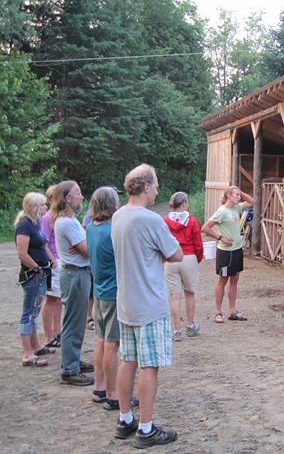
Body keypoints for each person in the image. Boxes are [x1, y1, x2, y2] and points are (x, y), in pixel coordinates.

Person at [111, 164, 183, 447]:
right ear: (145, 187)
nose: (157, 189)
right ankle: (146, 428)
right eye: (155, 185)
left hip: (126, 302)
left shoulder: (118, 216)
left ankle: (125, 418)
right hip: (150, 304)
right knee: (150, 365)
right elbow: (175, 254)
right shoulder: (151, 219)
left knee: (127, 360)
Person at [52, 181, 95, 386]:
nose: (81, 198)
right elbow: (88, 250)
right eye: (78, 194)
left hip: (76, 274)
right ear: (68, 199)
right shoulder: (68, 223)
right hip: (76, 275)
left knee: (76, 322)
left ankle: (73, 362)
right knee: (73, 323)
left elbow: (84, 247)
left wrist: (85, 245)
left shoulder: (68, 220)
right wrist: (87, 245)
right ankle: (69, 369)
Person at [86, 187, 126, 409]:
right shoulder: (110, 232)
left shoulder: (92, 228)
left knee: (101, 341)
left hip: (100, 291)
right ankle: (113, 395)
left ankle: (99, 388)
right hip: (112, 293)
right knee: (112, 344)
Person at [202, 186, 255, 323]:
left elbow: (252, 202)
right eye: (237, 195)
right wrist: (221, 237)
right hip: (225, 251)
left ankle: (232, 310)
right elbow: (205, 228)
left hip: (237, 250)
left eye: (239, 195)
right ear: (229, 196)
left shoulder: (236, 208)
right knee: (222, 281)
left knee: (235, 278)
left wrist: (241, 191)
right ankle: (218, 312)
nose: (239, 197)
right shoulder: (222, 211)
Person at [15, 192, 57, 367]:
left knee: (35, 310)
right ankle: (27, 353)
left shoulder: (35, 223)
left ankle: (36, 346)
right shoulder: (25, 225)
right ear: (33, 207)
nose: (46, 207)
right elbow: (22, 253)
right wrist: (37, 268)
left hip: (39, 275)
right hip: (33, 276)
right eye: (42, 205)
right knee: (29, 313)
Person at [163, 192, 204, 341]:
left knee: (175, 296)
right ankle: (189, 325)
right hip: (188, 257)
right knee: (190, 293)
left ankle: (176, 331)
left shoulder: (165, 221)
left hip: (171, 258)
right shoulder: (192, 221)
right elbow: (198, 244)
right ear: (184, 204)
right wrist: (197, 258)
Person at [40, 185, 63, 348]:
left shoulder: (58, 217)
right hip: (54, 261)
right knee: (50, 298)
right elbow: (44, 243)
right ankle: (48, 335)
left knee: (59, 298)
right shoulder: (47, 218)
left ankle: (57, 330)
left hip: (61, 261)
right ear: (49, 200)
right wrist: (52, 261)